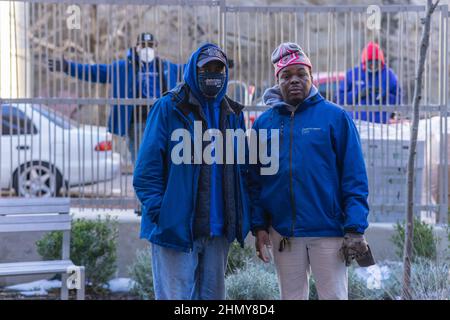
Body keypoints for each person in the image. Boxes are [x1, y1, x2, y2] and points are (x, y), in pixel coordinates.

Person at [250, 42, 371, 300]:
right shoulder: (263, 124)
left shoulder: (335, 118)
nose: (294, 80)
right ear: (277, 81)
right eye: (287, 75)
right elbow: (255, 180)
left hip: (329, 232)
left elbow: (354, 178)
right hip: (284, 233)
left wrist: (355, 227)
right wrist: (259, 226)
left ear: (311, 77)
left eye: (301, 74)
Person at [133, 43, 251, 300]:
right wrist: (164, 214)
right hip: (176, 231)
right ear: (192, 70)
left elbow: (242, 171)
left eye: (218, 68)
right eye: (205, 68)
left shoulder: (233, 114)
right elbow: (145, 172)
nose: (212, 73)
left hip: (218, 232)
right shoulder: (169, 107)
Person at [48, 32, 181, 163]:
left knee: (163, 161)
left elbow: (188, 70)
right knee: (141, 161)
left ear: (156, 48)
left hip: (161, 120)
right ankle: (142, 184)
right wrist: (67, 67)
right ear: (137, 48)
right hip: (137, 122)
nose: (147, 49)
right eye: (143, 45)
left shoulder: (166, 67)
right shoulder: (123, 68)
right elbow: (95, 72)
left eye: (150, 45)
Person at [337, 41, 401, 123]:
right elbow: (340, 99)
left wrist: (386, 96)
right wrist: (358, 93)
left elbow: (398, 100)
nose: (373, 66)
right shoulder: (352, 74)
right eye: (370, 63)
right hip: (357, 123)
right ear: (364, 62)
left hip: (381, 125)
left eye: (376, 63)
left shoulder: (389, 75)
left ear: (381, 62)